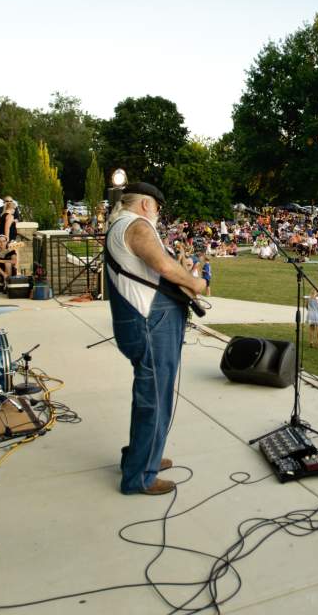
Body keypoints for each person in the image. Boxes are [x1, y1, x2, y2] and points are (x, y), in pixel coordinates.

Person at [104, 182, 207, 496]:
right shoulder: (137, 225)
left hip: (142, 321)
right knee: (155, 398)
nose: (159, 215)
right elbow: (162, 265)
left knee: (150, 395)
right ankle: (140, 477)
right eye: (158, 208)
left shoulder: (120, 225)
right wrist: (196, 283)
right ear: (147, 205)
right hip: (150, 323)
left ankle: (141, 456)